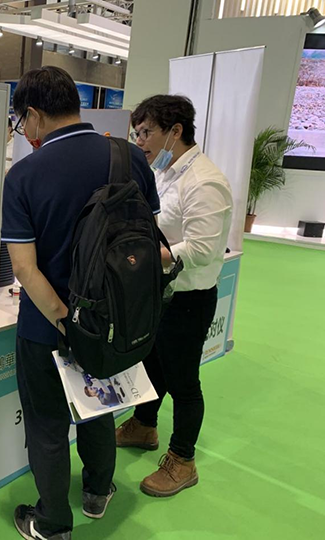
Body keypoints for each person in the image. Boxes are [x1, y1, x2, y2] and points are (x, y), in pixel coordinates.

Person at [2, 66, 160, 540]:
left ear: (33, 115)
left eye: (21, 122)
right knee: (99, 404)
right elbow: (148, 243)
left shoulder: (24, 174)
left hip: (46, 325)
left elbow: (25, 269)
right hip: (115, 319)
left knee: (47, 424)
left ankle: (52, 522)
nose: (24, 131)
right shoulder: (130, 157)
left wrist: (66, 321)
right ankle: (97, 491)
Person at [117, 95, 233, 498]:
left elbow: (203, 248)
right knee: (150, 364)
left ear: (175, 131)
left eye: (146, 132)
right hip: (160, 293)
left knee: (183, 382)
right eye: (137, 133)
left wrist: (147, 255)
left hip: (188, 298)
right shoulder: (164, 172)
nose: (139, 141)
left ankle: (183, 460)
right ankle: (144, 425)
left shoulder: (205, 181)